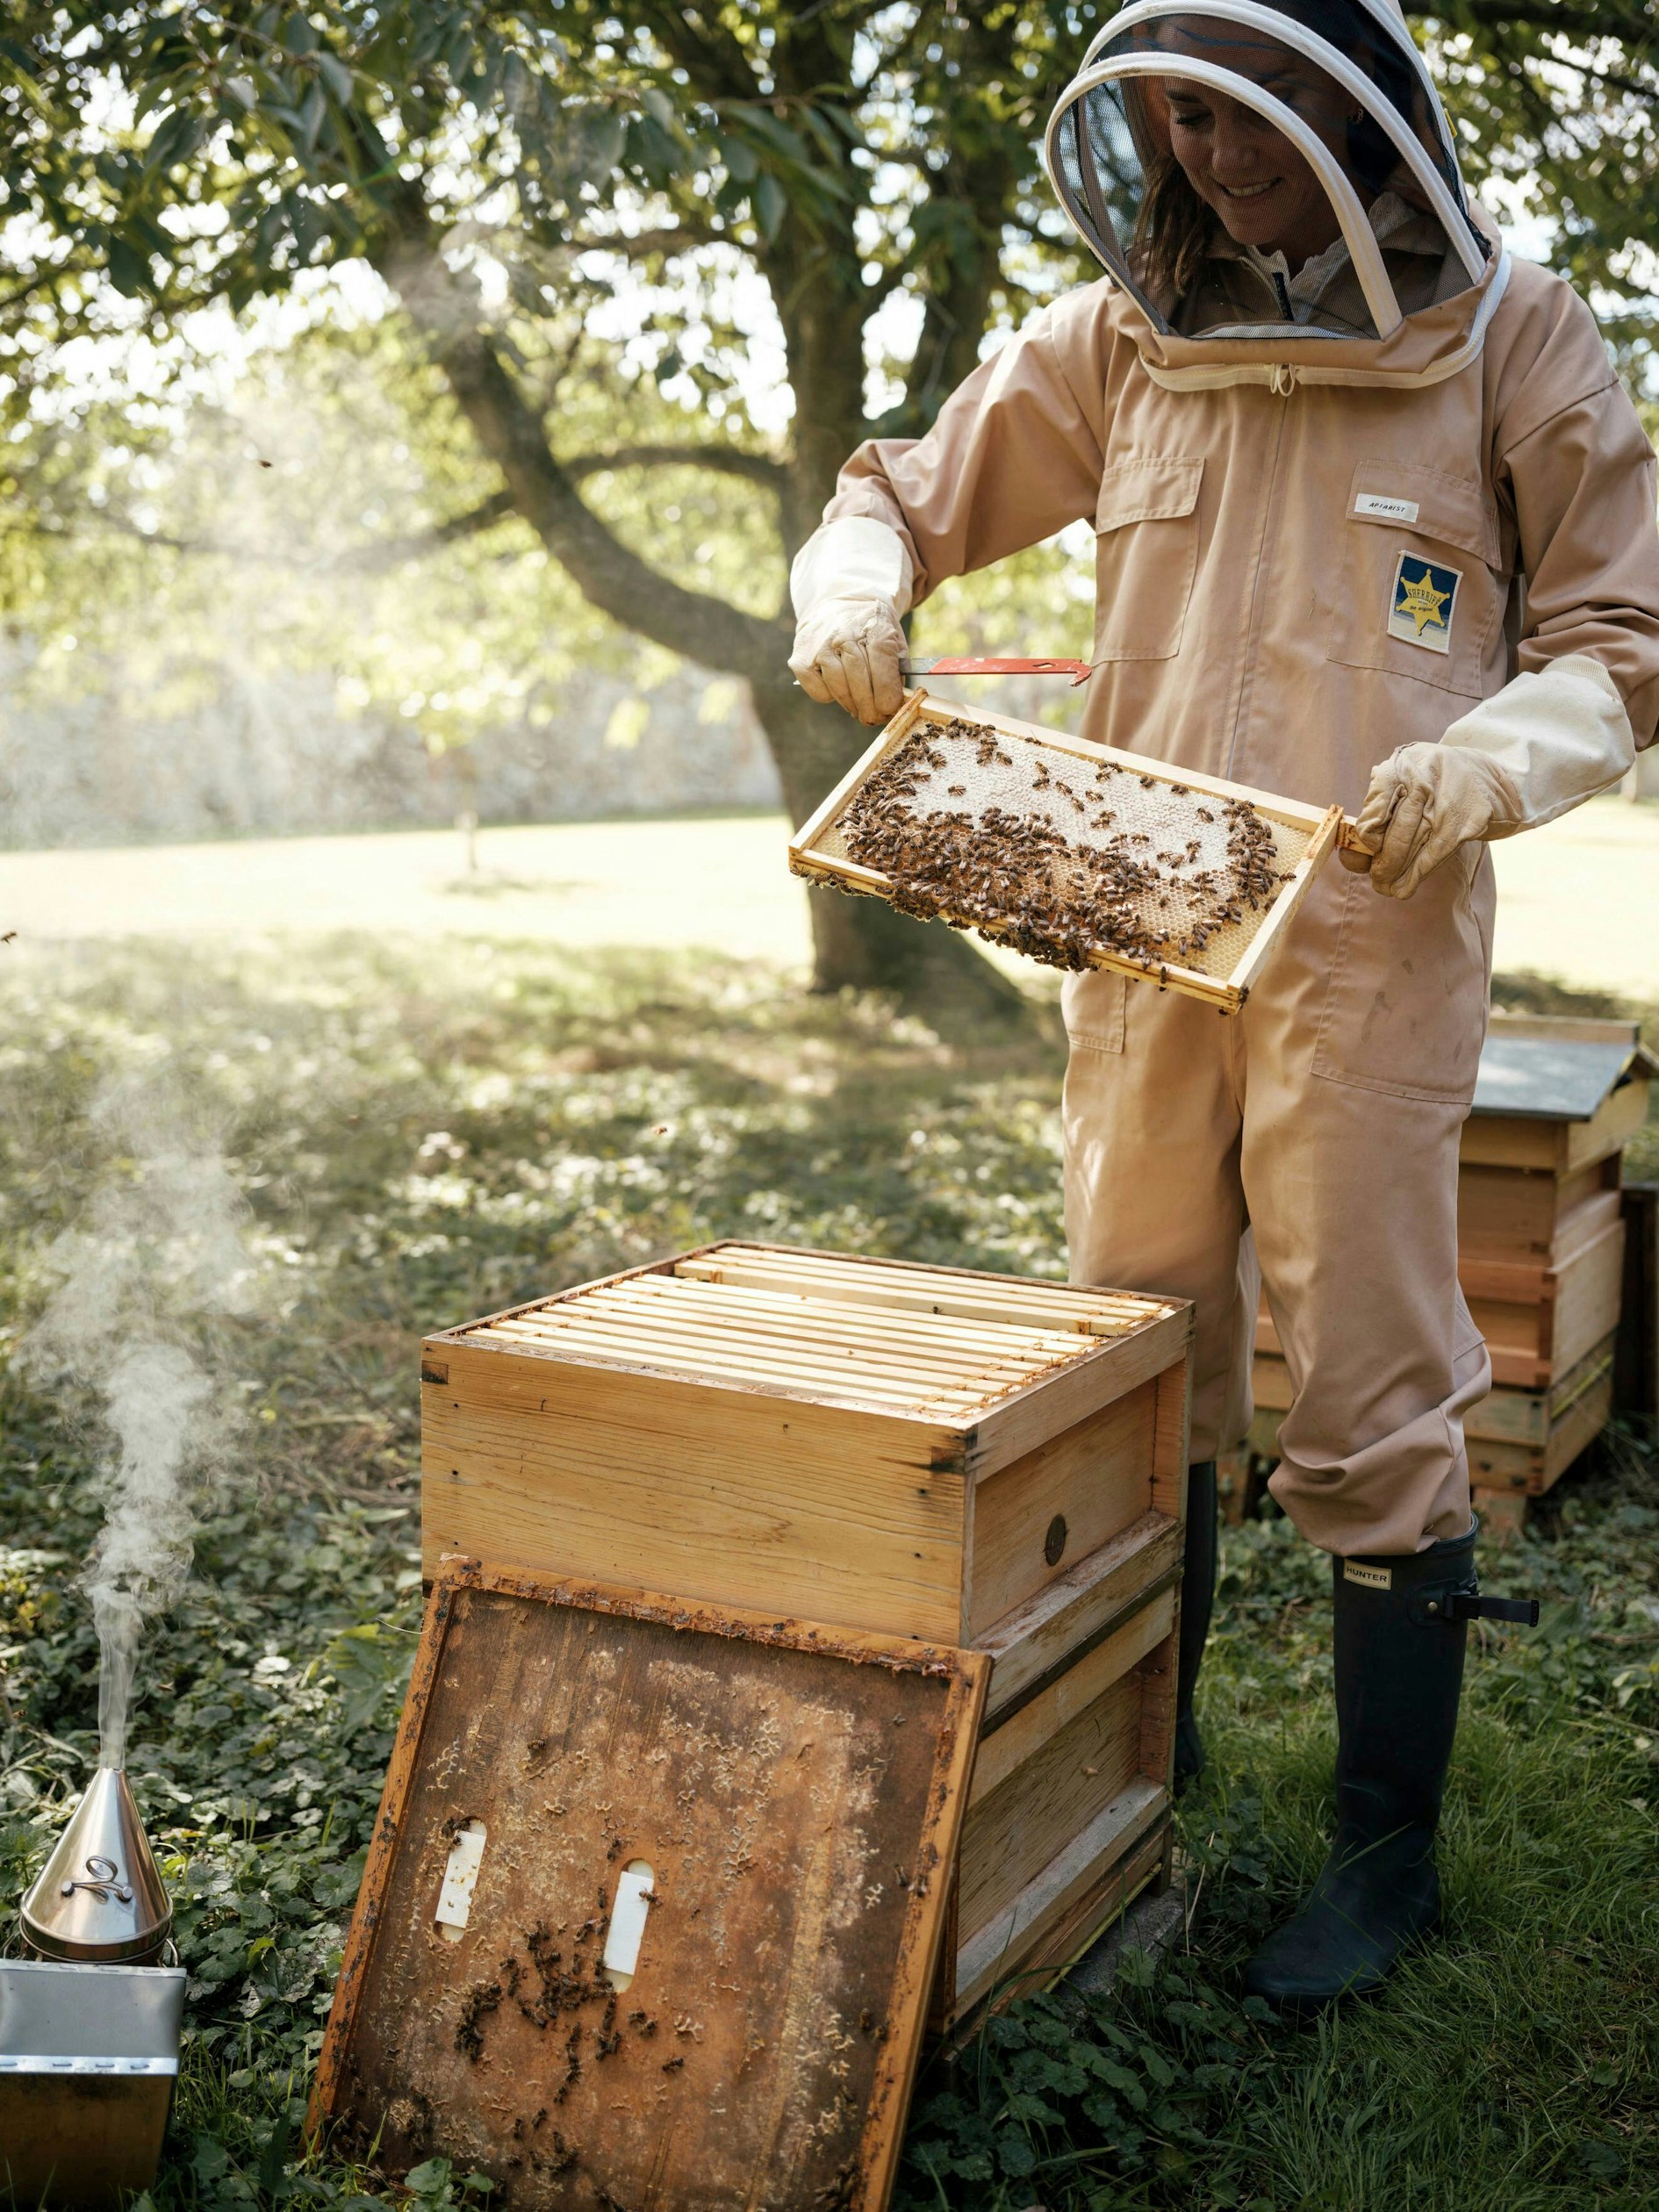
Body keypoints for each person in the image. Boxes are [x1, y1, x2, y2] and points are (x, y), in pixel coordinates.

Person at [788, 0, 1659, 2010]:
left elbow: (1624, 635)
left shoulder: (1515, 337)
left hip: (1374, 931)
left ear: (1349, 106)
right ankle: (1130, 1766)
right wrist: (855, 584)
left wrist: (1500, 752)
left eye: (1241, 104)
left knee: (1368, 1376)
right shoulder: (1113, 339)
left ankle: (1383, 1847)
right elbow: (899, 493)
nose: (1207, 147)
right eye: (1173, 112)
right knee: (1133, 1340)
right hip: (1140, 919)